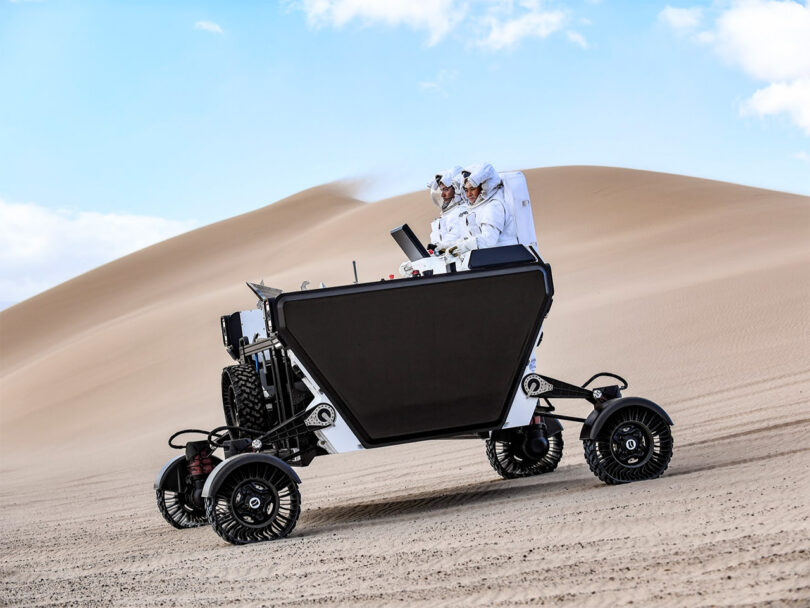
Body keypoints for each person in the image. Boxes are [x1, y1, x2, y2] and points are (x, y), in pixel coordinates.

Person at [399, 166, 468, 276]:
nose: (442, 194)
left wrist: (438, 249)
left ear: (457, 189)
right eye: (441, 190)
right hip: (443, 270)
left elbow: (451, 244)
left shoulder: (462, 212)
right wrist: (415, 263)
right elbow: (437, 251)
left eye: (446, 189)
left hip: (460, 271)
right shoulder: (443, 218)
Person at [447, 162, 518, 257]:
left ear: (483, 188)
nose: (468, 194)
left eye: (472, 189)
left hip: (506, 258)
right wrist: (448, 246)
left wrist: (464, 247)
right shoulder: (477, 208)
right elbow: (470, 237)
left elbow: (489, 240)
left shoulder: (493, 206)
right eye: (466, 190)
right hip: (492, 258)